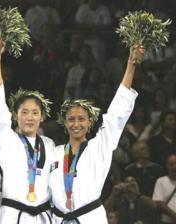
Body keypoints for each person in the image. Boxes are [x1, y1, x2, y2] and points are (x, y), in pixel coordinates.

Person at [50, 44, 145, 223]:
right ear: (64, 123)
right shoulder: (54, 152)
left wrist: (131, 65)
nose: (76, 124)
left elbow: (117, 114)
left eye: (81, 119)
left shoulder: (99, 146)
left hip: (89, 218)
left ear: (90, 122)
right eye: (71, 119)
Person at [0, 38, 56, 223]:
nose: (29, 117)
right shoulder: (7, 139)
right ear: (14, 115)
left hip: (43, 217)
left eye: (35, 113)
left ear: (42, 117)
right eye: (24, 112)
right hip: (12, 215)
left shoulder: (49, 145)